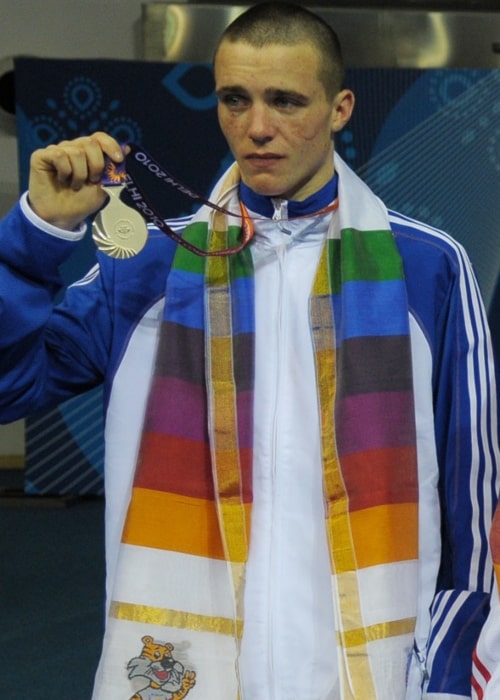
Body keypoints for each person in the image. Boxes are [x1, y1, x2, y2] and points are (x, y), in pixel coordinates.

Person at [0, 3, 498, 699]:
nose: (257, 126)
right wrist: (35, 237)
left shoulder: (428, 266)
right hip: (193, 660)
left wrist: (456, 666)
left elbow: (474, 489)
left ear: (340, 107)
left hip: (367, 658)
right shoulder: (148, 264)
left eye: (285, 100)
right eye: (236, 99)